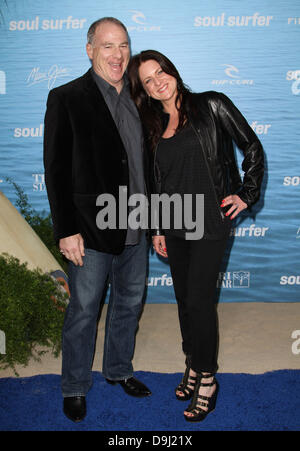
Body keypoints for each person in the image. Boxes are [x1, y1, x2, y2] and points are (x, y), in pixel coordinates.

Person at [128, 50, 264, 422]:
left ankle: (207, 378)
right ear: (144, 90)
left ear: (172, 71)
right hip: (173, 223)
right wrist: (156, 226)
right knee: (185, 300)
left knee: (200, 302)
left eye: (160, 72)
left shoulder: (212, 104)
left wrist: (247, 193)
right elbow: (156, 182)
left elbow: (251, 145)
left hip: (210, 221)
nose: (158, 82)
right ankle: (192, 361)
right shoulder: (152, 125)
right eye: (148, 81)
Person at [43, 18, 151, 423]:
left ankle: (119, 370)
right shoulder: (66, 97)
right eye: (107, 46)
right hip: (89, 229)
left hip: (138, 221)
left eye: (123, 45)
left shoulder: (142, 98)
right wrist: (65, 229)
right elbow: (55, 170)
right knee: (85, 309)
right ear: (89, 50)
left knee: (128, 303)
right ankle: (74, 385)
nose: (117, 55)